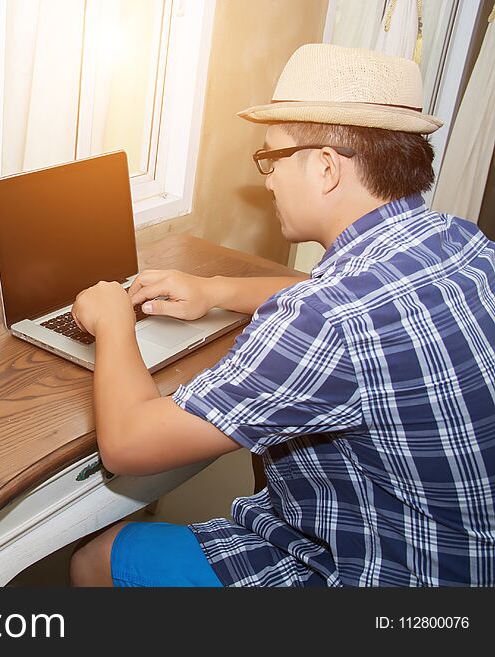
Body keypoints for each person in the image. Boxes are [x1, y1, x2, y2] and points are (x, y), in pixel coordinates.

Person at [68, 43, 495, 587]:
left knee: (96, 559)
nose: (267, 178)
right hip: (463, 560)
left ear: (324, 167)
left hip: (382, 574)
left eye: (271, 158)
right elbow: (327, 289)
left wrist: (111, 321)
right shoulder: (459, 239)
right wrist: (213, 287)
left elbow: (128, 444)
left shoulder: (327, 319)